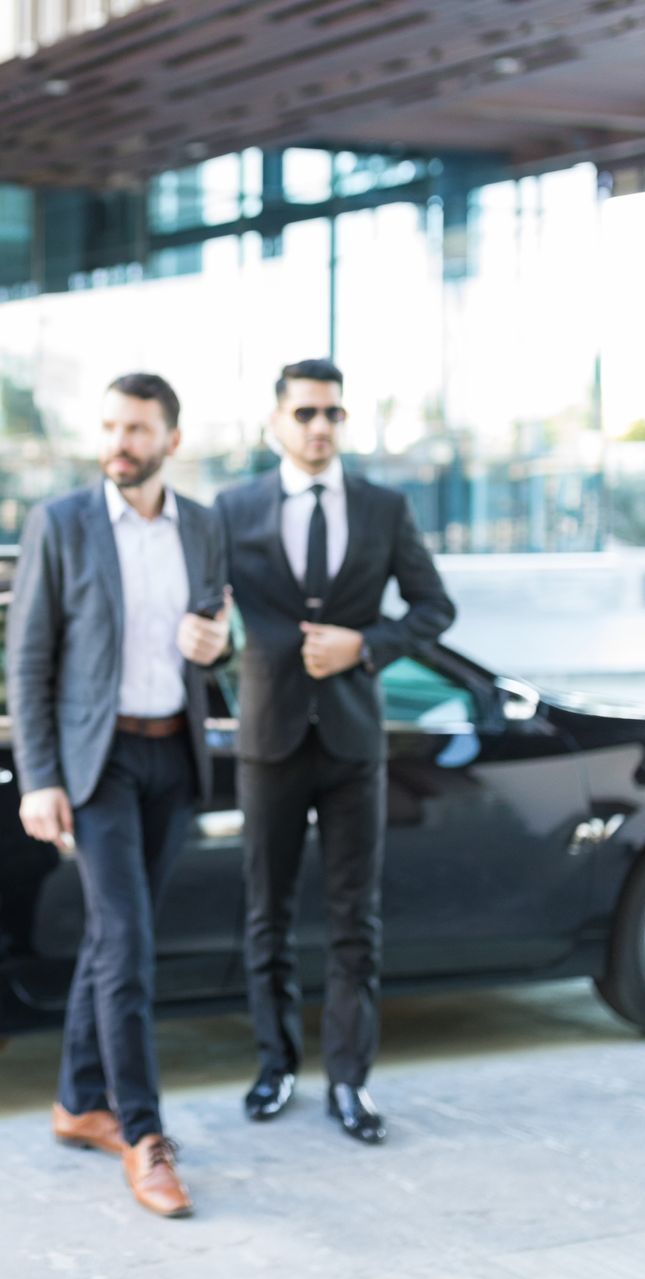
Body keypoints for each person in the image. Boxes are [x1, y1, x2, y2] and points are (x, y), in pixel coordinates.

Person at [6, 373, 231, 1217]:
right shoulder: (61, 523)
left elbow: (219, 639)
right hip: (96, 766)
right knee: (129, 946)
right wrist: (40, 778)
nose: (119, 443)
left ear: (172, 440)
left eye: (137, 429)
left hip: (173, 755)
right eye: (110, 426)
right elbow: (28, 659)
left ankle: (78, 1101)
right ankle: (143, 1132)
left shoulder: (202, 526)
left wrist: (219, 643)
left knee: (113, 937)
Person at [214, 358, 455, 1145]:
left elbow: (434, 607)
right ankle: (275, 1066)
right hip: (269, 738)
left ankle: (350, 1081)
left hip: (353, 740)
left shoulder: (385, 508)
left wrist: (367, 645)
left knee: (356, 919)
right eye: (306, 413)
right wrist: (210, 636)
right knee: (266, 914)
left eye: (333, 413)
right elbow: (205, 605)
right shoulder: (234, 508)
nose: (320, 427)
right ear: (276, 423)